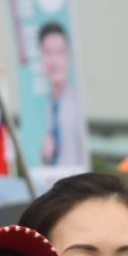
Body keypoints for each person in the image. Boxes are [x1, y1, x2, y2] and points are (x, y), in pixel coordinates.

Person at [37, 21, 87, 168]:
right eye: (48, 52)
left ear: (69, 57)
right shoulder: (46, 105)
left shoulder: (77, 103)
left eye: (60, 52)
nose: (54, 60)